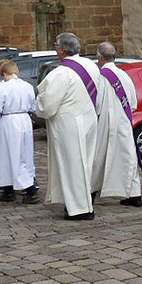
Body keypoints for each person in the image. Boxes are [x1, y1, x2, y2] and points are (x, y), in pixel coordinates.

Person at [35, 32, 104, 220]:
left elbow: (47, 105)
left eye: (56, 45)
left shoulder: (60, 73)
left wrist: (37, 101)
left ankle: (79, 208)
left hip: (69, 124)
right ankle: (84, 200)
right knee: (85, 163)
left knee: (73, 165)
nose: (55, 49)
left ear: (62, 49)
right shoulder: (91, 65)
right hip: (89, 119)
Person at [90, 41, 142, 207]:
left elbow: (94, 103)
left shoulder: (99, 77)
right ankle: (134, 195)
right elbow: (133, 103)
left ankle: (90, 193)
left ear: (99, 57)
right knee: (128, 157)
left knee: (98, 158)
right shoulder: (125, 76)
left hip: (104, 123)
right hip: (124, 122)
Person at [0, 59, 39, 204]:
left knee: (10, 155)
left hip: (8, 121)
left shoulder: (1, 88)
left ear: (3, 74)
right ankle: (9, 189)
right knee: (23, 155)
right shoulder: (27, 86)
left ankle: (30, 190)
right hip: (24, 120)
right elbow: (33, 106)